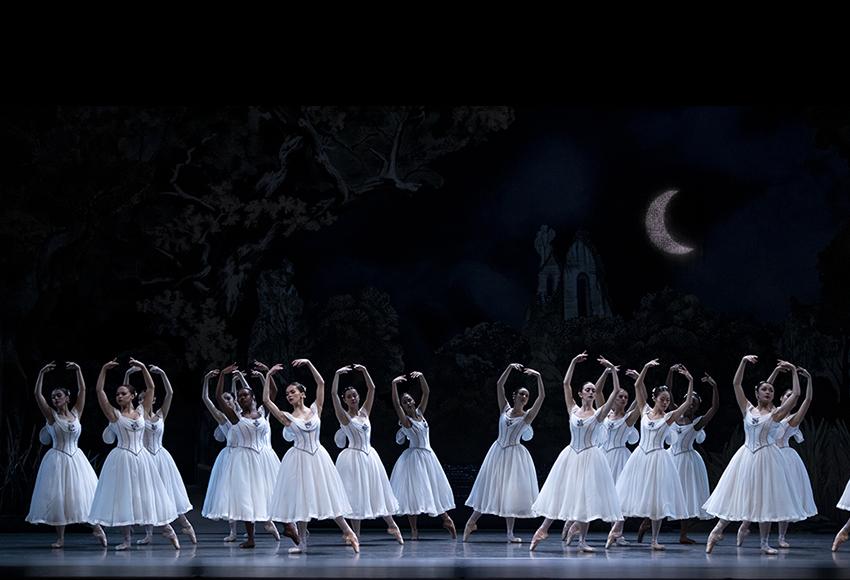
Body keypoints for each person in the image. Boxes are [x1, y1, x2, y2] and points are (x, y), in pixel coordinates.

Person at [703, 357, 804, 555]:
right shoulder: (747, 409)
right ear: (757, 393)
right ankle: (716, 531)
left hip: (768, 458)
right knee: (738, 494)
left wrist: (793, 371)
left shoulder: (776, 414)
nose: (768, 392)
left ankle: (765, 542)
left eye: (771, 390)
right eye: (764, 389)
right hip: (746, 456)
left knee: (765, 499)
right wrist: (742, 362)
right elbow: (736, 384)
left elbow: (797, 394)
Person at [529, 355, 623, 552]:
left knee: (585, 498)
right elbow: (565, 383)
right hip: (571, 455)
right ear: (580, 393)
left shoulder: (599, 414)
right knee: (560, 491)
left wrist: (613, 370)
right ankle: (543, 529)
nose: (591, 392)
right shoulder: (572, 409)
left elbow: (615, 391)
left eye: (593, 390)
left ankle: (582, 541)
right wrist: (572, 361)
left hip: (590, 457)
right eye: (587, 390)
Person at [264, 359, 359, 554]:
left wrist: (308, 363)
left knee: (329, 494)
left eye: (293, 392)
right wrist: (268, 376)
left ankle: (349, 532)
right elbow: (266, 401)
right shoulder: (287, 417)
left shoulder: (316, 409)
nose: (289, 395)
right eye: (287, 393)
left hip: (318, 457)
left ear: (302, 394)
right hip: (298, 459)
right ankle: (302, 543)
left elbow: (322, 383)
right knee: (302, 500)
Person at [88, 359, 179, 550]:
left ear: (132, 396)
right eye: (118, 394)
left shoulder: (141, 410)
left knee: (149, 494)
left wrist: (144, 368)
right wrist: (103, 368)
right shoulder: (114, 415)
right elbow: (99, 392)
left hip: (142, 458)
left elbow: (151, 387)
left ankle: (167, 528)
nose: (119, 396)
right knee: (125, 497)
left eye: (123, 394)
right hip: (122, 458)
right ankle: (127, 540)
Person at [26, 361, 107, 548]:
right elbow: (37, 394)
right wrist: (41, 373)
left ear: (67, 398)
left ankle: (97, 528)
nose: (55, 399)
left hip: (76, 458)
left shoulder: (76, 413)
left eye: (58, 396)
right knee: (58, 498)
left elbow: (83, 390)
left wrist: (79, 370)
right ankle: (60, 538)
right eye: (53, 397)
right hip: (57, 459)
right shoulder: (51, 416)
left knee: (83, 495)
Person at [614, 359, 693, 550]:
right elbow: (637, 384)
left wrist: (690, 381)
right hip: (640, 457)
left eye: (668, 400)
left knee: (657, 501)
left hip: (658, 459)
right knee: (626, 494)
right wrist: (646, 367)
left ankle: (654, 539)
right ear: (655, 398)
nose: (665, 402)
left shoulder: (668, 417)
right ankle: (615, 532)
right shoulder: (645, 410)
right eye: (662, 399)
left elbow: (688, 402)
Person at [464, 363, 545, 543]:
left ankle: (509, 533)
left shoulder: (527, 416)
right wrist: (508, 367)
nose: (524, 397)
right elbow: (499, 385)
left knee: (511, 492)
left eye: (527, 395)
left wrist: (539, 377)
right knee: (489, 487)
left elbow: (542, 397)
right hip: (498, 452)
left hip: (515, 456)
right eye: (521, 394)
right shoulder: (505, 408)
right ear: (514, 396)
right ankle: (471, 522)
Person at [330, 364, 403, 543]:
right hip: (353, 458)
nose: (353, 398)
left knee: (378, 491)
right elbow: (332, 395)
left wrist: (364, 371)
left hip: (370, 456)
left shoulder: (364, 412)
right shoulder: (345, 417)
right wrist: (337, 375)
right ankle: (356, 534)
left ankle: (393, 525)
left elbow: (372, 388)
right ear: (345, 400)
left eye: (354, 395)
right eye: (349, 397)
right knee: (356, 495)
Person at [124, 364, 196, 545]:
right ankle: (149, 533)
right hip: (145, 458)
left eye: (144, 398)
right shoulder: (138, 416)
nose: (141, 401)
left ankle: (185, 525)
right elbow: (126, 396)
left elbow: (170, 394)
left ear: (152, 399)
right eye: (139, 399)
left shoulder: (161, 413)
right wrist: (127, 376)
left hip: (162, 457)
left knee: (169, 492)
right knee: (148, 495)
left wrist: (163, 373)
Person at [389, 372, 456, 541]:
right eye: (405, 402)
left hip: (428, 455)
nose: (408, 402)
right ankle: (413, 530)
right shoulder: (406, 421)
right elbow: (395, 404)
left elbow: (426, 392)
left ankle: (446, 519)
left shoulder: (420, 413)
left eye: (409, 400)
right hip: (414, 458)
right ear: (404, 406)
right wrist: (394, 385)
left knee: (434, 488)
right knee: (414, 494)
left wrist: (421, 377)